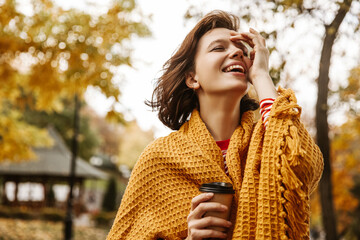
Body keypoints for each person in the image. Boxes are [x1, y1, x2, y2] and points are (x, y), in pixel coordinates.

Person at [106, 10, 323, 240]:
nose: (237, 52)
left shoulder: (268, 140)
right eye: (219, 48)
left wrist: (261, 76)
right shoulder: (158, 159)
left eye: (241, 50)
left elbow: (300, 165)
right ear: (192, 78)